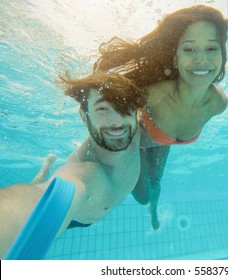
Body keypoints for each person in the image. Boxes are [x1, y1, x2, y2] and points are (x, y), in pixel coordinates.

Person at [94, 5, 228, 230]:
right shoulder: (153, 94)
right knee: (142, 196)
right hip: (136, 144)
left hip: (161, 142)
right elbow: (104, 100)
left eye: (211, 49)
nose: (202, 60)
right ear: (175, 59)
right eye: (189, 49)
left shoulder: (218, 104)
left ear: (222, 55)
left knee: (155, 184)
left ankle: (153, 211)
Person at [0, 71, 146, 258]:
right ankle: (40, 178)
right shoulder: (85, 172)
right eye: (103, 109)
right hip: (78, 218)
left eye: (125, 107)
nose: (117, 122)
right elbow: (48, 201)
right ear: (84, 117)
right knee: (38, 189)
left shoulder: (135, 131)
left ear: (136, 111)